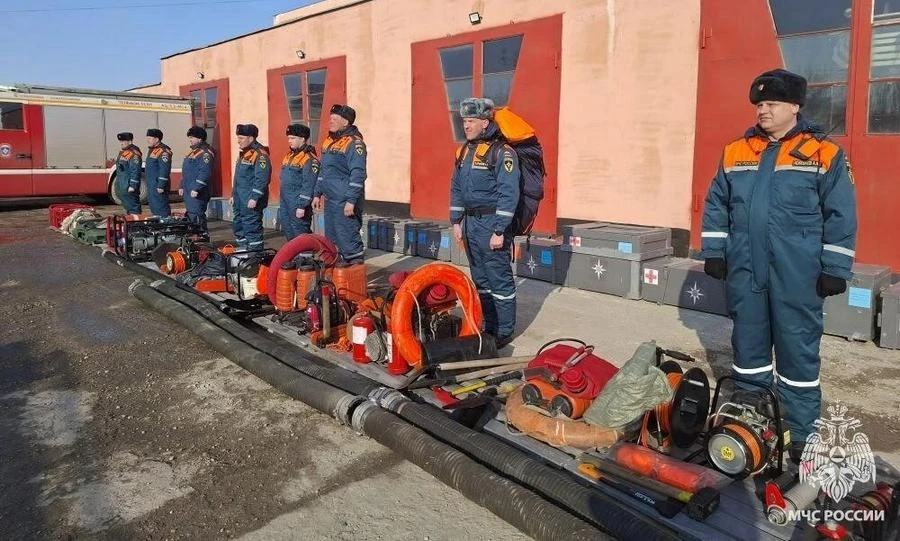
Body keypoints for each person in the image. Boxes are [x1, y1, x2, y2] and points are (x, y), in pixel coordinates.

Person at [699, 69, 857, 461]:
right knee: (748, 346)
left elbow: (841, 213)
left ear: (795, 106)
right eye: (759, 104)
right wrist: (715, 251)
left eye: (771, 103)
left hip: (797, 273)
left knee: (797, 352)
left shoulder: (824, 154)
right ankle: (752, 419)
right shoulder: (736, 151)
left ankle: (800, 433)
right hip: (746, 269)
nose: (762, 110)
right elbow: (716, 203)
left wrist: (835, 267)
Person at [449, 97, 521, 349]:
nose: (466, 126)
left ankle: (504, 331)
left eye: (471, 121)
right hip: (470, 225)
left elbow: (509, 193)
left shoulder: (503, 152)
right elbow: (456, 188)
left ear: (485, 122)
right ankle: (489, 326)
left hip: (492, 225)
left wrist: (500, 229)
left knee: (499, 279)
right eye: (464, 121)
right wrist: (456, 221)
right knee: (480, 279)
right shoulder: (463, 152)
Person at [313, 104, 366, 266]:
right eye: (330, 118)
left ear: (345, 122)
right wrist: (317, 194)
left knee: (348, 238)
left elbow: (358, 173)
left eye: (335, 119)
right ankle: (338, 274)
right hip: (331, 201)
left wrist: (351, 201)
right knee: (332, 239)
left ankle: (355, 272)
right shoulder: (328, 142)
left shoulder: (354, 143)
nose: (330, 121)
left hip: (345, 201)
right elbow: (323, 171)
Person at [231, 123, 271, 250]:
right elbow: (238, 178)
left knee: (251, 227)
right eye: (238, 138)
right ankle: (243, 251)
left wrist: (255, 197)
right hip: (240, 199)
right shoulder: (245, 153)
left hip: (250, 200)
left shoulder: (260, 155)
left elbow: (262, 179)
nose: (238, 141)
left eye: (241, 138)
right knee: (239, 225)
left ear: (251, 138)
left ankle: (255, 254)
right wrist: (233, 195)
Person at [278, 123, 320, 240]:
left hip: (298, 203)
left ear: (302, 139)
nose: (289, 141)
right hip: (286, 202)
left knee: (300, 232)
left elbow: (309, 184)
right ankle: (295, 252)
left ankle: (307, 252)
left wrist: (302, 206)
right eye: (288, 138)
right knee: (288, 230)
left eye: (292, 138)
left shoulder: (309, 158)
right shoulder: (289, 156)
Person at [181, 126, 216, 239]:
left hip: (198, 191)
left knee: (197, 214)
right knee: (191, 214)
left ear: (200, 139)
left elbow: (205, 172)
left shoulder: (205, 153)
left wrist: (197, 188)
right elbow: (186, 171)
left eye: (192, 137)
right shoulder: (192, 152)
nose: (190, 140)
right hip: (189, 189)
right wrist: (181, 185)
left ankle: (201, 237)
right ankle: (194, 237)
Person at [145, 128, 172, 218]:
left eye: (150, 138)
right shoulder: (153, 150)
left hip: (158, 185)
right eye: (147, 138)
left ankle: (165, 223)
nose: (148, 140)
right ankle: (158, 224)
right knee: (154, 207)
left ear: (157, 139)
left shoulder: (163, 151)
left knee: (161, 207)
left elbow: (164, 169)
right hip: (152, 185)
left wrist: (161, 185)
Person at [114, 132, 143, 218]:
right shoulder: (124, 152)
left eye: (123, 141)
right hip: (123, 184)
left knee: (133, 207)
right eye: (120, 141)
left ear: (130, 141)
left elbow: (135, 170)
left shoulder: (134, 154)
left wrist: (133, 185)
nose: (121, 143)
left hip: (128, 185)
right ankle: (131, 220)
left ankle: (136, 222)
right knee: (128, 206)